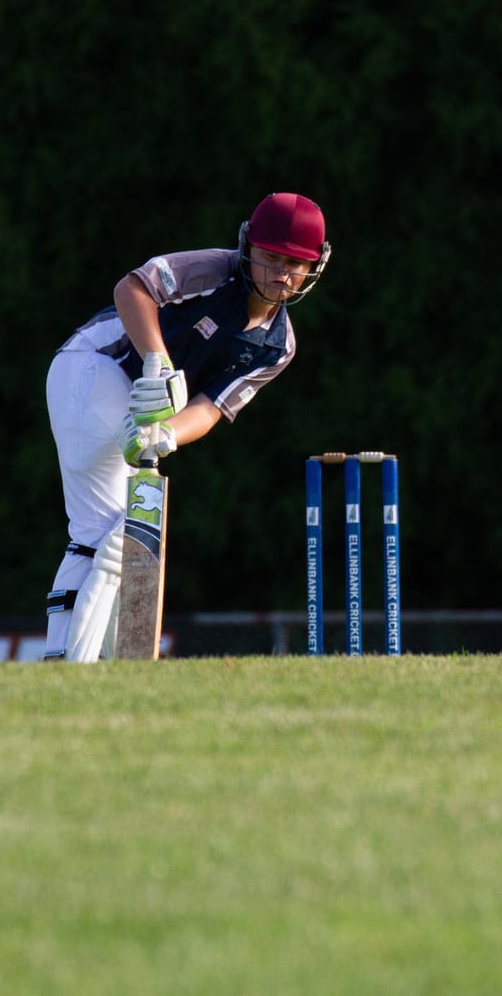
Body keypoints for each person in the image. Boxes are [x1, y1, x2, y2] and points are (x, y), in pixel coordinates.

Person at [42, 192, 329, 661]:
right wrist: (157, 361)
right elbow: (132, 288)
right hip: (95, 365)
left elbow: (211, 408)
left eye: (296, 263)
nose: (282, 273)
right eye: (272, 258)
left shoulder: (278, 346)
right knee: (115, 531)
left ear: (314, 266)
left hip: (131, 399)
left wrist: (167, 433)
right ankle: (72, 663)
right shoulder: (215, 271)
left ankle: (69, 659)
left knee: (107, 532)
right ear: (248, 247)